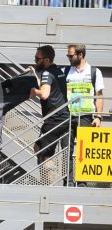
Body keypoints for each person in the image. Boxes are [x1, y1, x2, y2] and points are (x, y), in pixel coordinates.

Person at [64, 44, 104, 186]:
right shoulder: (66, 71)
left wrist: (98, 117)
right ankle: (68, 182)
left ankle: (82, 183)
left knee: (84, 150)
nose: (68, 58)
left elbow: (99, 96)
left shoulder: (94, 72)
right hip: (68, 117)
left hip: (86, 116)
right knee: (66, 151)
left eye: (71, 55)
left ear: (80, 55)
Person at [29, 45, 70, 171]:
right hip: (63, 117)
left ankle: (48, 185)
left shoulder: (47, 73)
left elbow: (45, 94)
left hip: (54, 119)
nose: (35, 60)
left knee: (43, 152)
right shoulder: (58, 71)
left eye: (37, 58)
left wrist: (34, 90)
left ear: (47, 60)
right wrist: (32, 69)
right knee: (40, 148)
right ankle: (48, 178)